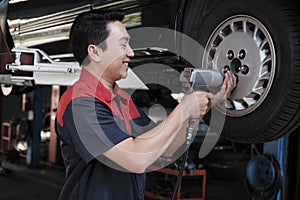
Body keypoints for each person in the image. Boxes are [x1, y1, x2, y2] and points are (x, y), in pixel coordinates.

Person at [55, 9, 236, 200]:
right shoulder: (79, 105)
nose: (131, 53)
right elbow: (135, 158)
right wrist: (183, 109)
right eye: (123, 45)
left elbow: (164, 148)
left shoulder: (121, 98)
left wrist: (202, 106)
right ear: (95, 52)